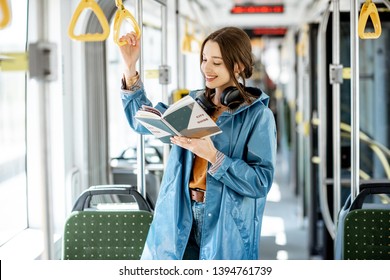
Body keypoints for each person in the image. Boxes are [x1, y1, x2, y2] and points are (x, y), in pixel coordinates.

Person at [118, 26, 277, 260]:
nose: (206, 68)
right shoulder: (194, 104)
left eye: (216, 62)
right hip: (180, 212)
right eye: (204, 59)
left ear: (239, 66)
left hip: (226, 221)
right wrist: (130, 68)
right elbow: (142, 121)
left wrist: (215, 157)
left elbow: (260, 182)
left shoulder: (257, 116)